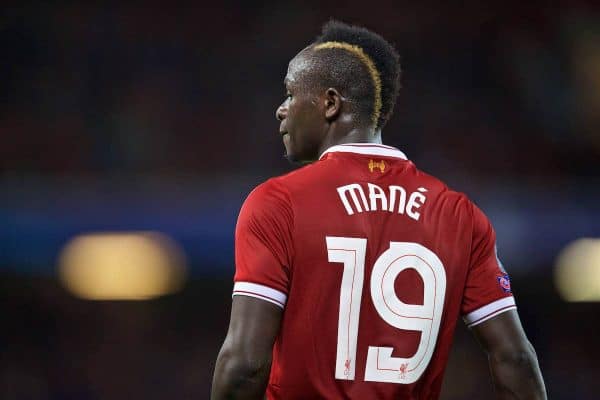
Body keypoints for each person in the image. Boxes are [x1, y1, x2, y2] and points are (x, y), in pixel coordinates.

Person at [211, 20, 547, 400]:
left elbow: (244, 365)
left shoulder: (278, 203)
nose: (281, 109)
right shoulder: (460, 215)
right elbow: (515, 358)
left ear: (331, 103)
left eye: (290, 94)